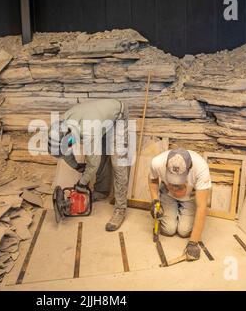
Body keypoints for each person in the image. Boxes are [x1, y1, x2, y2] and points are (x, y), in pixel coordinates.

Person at [48, 99, 130, 231]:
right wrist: (75, 166)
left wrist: (82, 182)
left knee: (118, 163)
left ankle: (121, 209)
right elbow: (65, 150)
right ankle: (102, 191)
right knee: (101, 154)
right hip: (98, 118)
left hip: (117, 116)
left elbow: (93, 163)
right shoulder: (61, 127)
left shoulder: (88, 131)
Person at [148, 148, 211, 260]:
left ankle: (182, 209)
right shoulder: (157, 162)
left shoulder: (201, 168)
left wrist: (193, 243)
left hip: (190, 197)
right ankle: (171, 203)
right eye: (173, 182)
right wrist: (155, 200)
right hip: (168, 195)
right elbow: (152, 180)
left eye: (179, 183)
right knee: (168, 230)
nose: (175, 188)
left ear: (189, 169)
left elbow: (202, 207)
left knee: (184, 231)